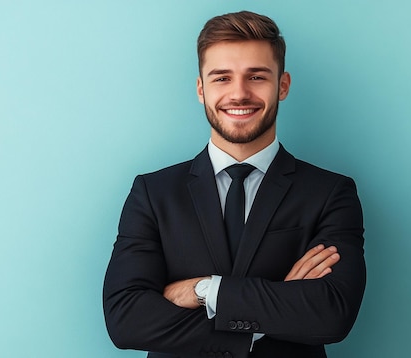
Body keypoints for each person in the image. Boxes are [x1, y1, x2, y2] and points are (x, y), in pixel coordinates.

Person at [102, 10, 366, 358]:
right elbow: (126, 319)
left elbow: (331, 314)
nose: (239, 94)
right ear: (201, 88)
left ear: (282, 85)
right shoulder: (153, 193)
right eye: (221, 78)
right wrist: (273, 311)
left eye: (256, 77)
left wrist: (203, 290)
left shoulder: (331, 193)